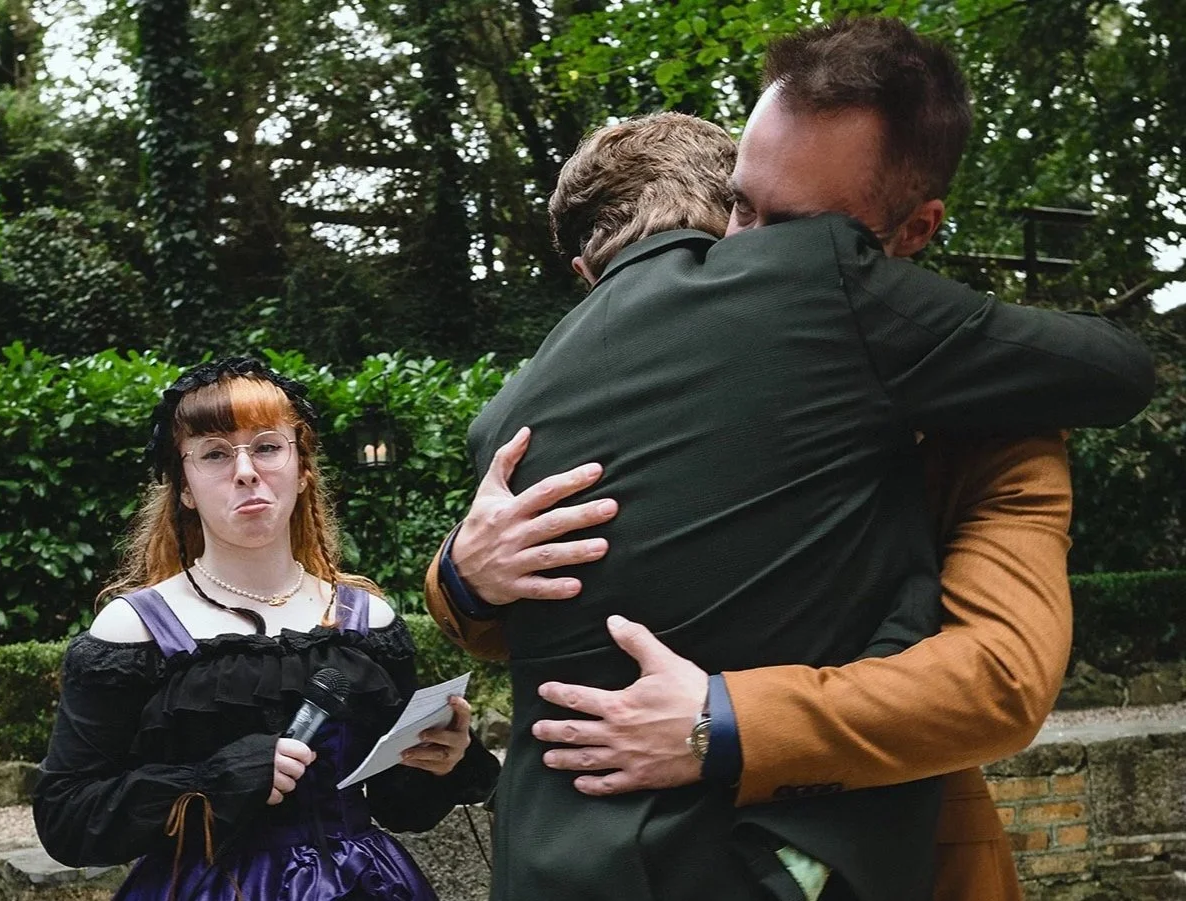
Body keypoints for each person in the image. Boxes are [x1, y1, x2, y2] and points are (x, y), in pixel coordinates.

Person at [424, 45, 1154, 901]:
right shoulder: (681, 373)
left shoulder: (1002, 420)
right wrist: (465, 576)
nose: (742, 255)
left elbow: (999, 679)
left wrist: (722, 723)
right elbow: (579, 602)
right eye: (736, 205)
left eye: (792, 228)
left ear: (912, 231)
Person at [33, 357, 499, 901]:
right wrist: (214, 783)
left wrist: (441, 760)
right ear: (184, 487)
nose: (246, 470)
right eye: (214, 453)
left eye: (267, 446)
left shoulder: (368, 622)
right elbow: (67, 817)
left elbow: (397, 807)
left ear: (302, 469)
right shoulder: (133, 630)